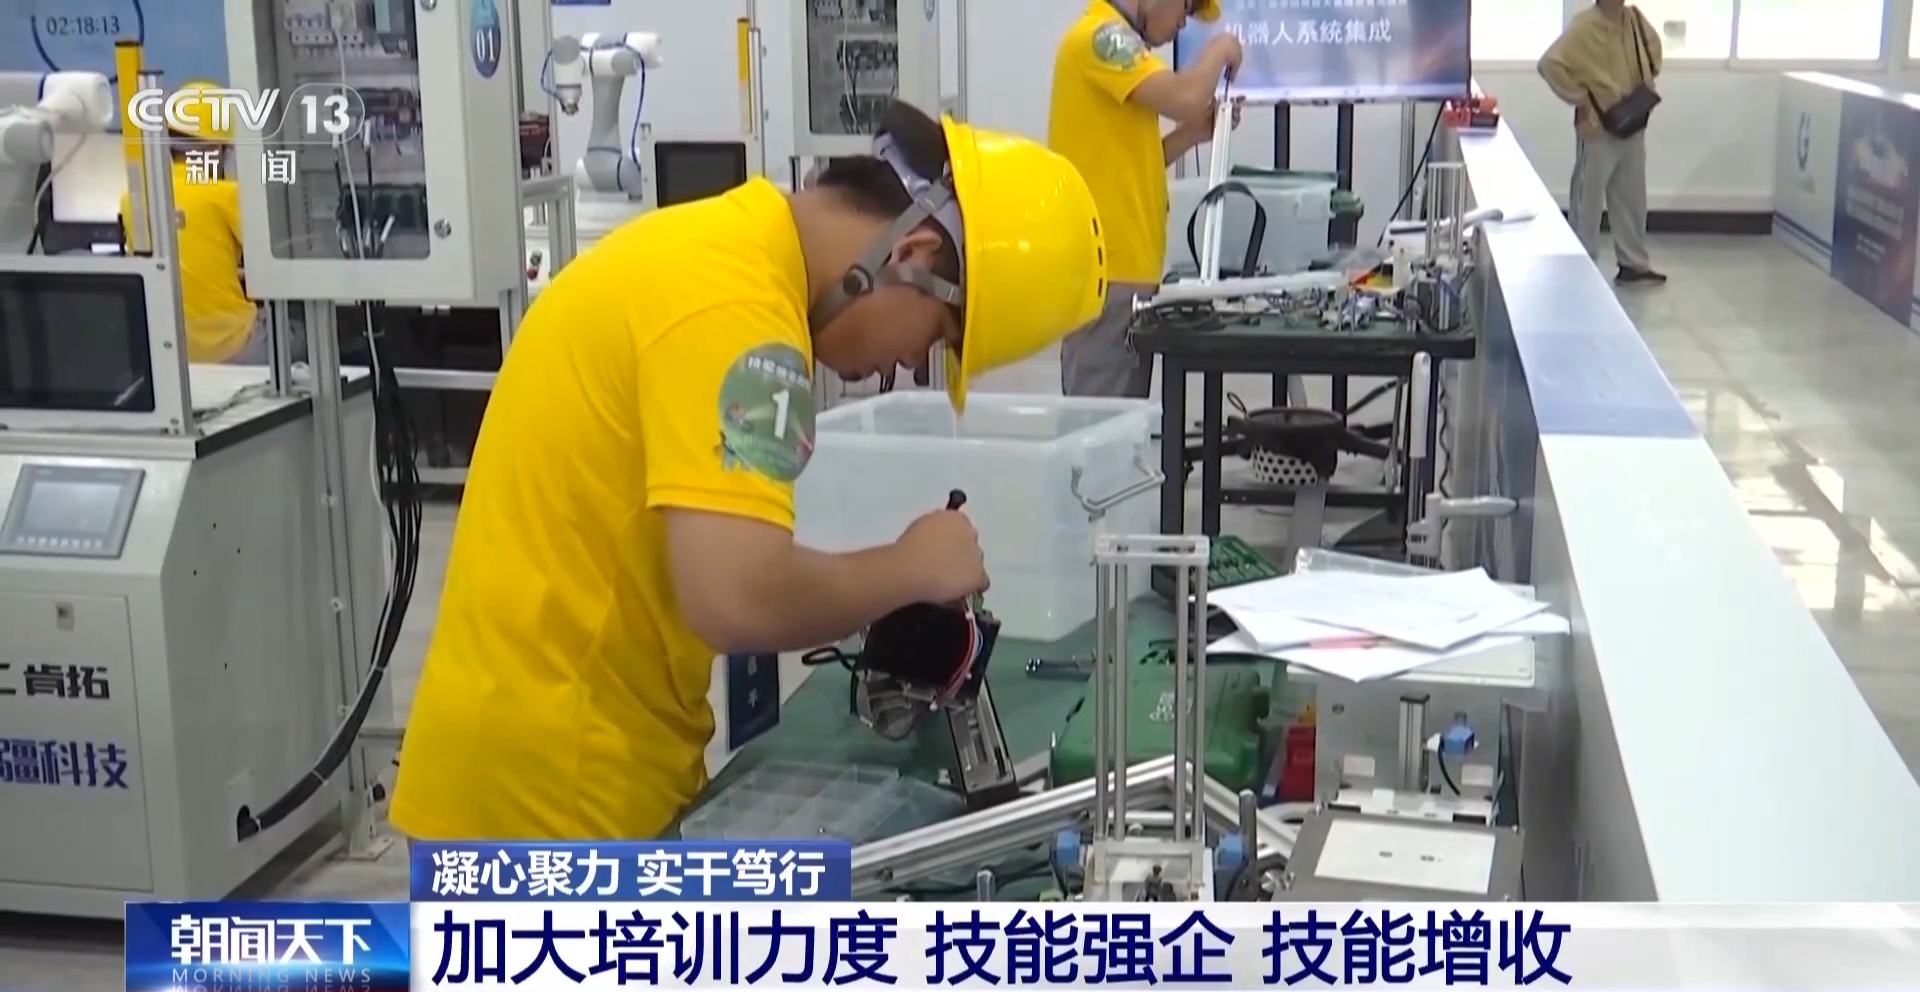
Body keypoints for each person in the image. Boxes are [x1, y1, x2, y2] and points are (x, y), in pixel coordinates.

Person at [387, 101, 1107, 841]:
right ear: (914, 256)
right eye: (937, 338)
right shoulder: (741, 314)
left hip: (552, 757)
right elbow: (737, 596)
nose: (907, 361)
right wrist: (909, 568)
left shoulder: (722, 253)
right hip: (552, 799)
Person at [1048, 0, 1242, 397]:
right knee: (1103, 426)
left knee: (1122, 423)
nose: (1182, 24)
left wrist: (1192, 133)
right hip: (1108, 275)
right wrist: (1220, 48)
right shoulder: (1100, 37)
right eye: (1186, 8)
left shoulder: (1116, 47)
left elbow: (1138, 163)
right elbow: (1186, 96)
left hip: (1124, 275)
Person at [117, 80, 265, 362]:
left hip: (167, 348)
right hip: (233, 343)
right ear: (218, 149)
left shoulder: (134, 197)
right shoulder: (225, 194)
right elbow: (269, 257)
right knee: (302, 333)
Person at [1539, 0, 1668, 286]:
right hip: (1598, 126)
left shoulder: (1633, 19)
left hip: (1632, 122)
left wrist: (1643, 80)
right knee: (1587, 198)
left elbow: (1654, 54)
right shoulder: (1585, 26)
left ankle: (1633, 264)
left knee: (1632, 196)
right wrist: (1581, 99)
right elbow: (1549, 64)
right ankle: (1580, 261)